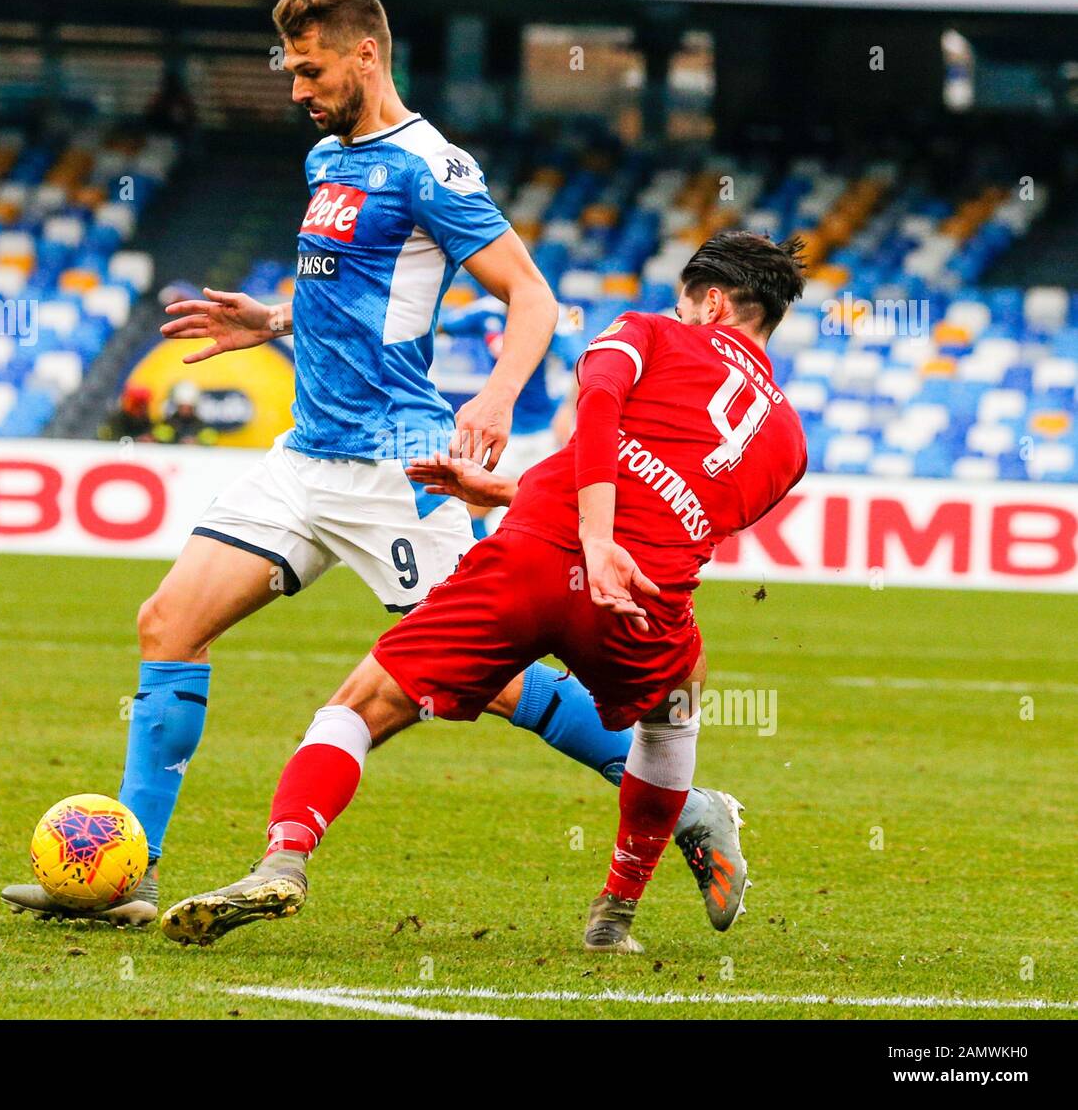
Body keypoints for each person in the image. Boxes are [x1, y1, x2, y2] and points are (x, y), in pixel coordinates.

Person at [0, 0, 737, 928]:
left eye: (310, 69)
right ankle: (126, 873)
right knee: (168, 622)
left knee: (499, 678)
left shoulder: (433, 165)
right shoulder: (326, 159)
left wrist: (500, 391)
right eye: (290, 70)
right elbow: (342, 294)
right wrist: (268, 317)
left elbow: (536, 300)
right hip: (305, 458)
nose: (297, 88)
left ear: (365, 57)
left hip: (398, 465)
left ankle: (687, 804)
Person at [159, 231, 808, 955]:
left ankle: (285, 857)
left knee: (363, 704)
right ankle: (615, 914)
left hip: (531, 559)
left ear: (712, 301)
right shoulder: (789, 443)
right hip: (637, 598)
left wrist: (584, 534)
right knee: (676, 704)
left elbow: (597, 414)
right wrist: (511, 493)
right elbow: (668, 500)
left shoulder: (648, 330)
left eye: (686, 303)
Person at [439, 296, 582, 534]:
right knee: (474, 505)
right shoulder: (487, 311)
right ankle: (476, 564)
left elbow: (581, 360)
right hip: (502, 431)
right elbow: (439, 326)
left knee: (542, 509)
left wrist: (568, 408)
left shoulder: (555, 314)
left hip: (545, 434)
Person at [152, 381, 218, 446]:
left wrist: (197, 442)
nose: (185, 410)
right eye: (182, 407)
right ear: (177, 406)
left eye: (189, 408)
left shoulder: (202, 426)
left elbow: (210, 442)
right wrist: (178, 442)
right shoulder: (167, 424)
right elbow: (159, 441)